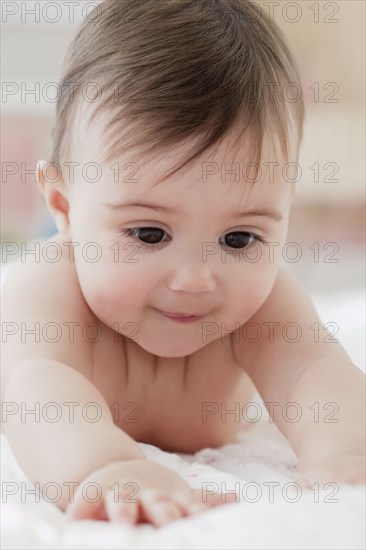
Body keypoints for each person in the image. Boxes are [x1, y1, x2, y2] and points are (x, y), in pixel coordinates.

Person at [2, 0, 365, 528]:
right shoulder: (47, 286)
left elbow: (315, 373)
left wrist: (346, 454)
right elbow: (36, 391)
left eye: (239, 238)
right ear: (63, 208)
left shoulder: (263, 302)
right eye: (149, 233)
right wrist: (106, 467)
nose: (195, 278)